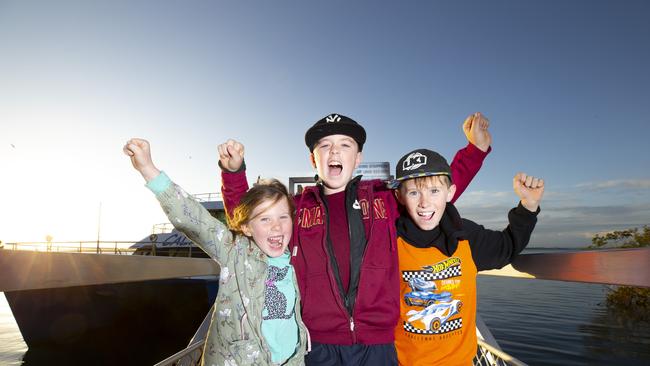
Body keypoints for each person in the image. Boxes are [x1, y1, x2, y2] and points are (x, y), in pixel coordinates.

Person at [217, 112, 491, 365]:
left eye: (345, 145)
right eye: (325, 145)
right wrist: (233, 174)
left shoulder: (385, 199)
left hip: (378, 345)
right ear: (314, 159)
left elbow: (430, 187)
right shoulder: (296, 209)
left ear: (358, 158)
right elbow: (250, 219)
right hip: (319, 345)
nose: (335, 151)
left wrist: (474, 151)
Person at [123, 138, 308, 366]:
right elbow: (193, 218)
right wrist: (148, 168)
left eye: (283, 217)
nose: (277, 226)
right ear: (247, 227)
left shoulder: (296, 259)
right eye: (265, 219)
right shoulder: (235, 251)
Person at [389, 148, 544, 365]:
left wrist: (528, 206)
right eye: (414, 192)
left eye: (434, 191)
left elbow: (507, 246)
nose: (424, 203)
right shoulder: (387, 242)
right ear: (400, 197)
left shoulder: (466, 237)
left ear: (450, 192)